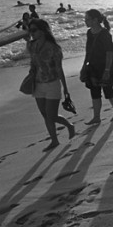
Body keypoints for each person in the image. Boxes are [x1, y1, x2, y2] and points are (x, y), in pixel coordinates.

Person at [26, 19, 75, 151]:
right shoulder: (31, 46)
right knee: (45, 115)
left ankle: (69, 125)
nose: (31, 33)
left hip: (53, 84)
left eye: (34, 30)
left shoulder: (54, 48)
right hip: (38, 84)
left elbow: (59, 69)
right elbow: (33, 62)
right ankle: (54, 140)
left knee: (52, 115)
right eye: (30, 30)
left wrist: (65, 88)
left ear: (43, 31)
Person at [80, 9, 113, 124]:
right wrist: (84, 66)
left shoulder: (104, 34)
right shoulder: (89, 33)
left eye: (87, 19)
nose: (85, 21)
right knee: (94, 91)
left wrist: (107, 70)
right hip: (92, 67)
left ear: (95, 20)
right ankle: (96, 117)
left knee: (108, 90)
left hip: (105, 67)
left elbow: (109, 53)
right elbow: (88, 52)